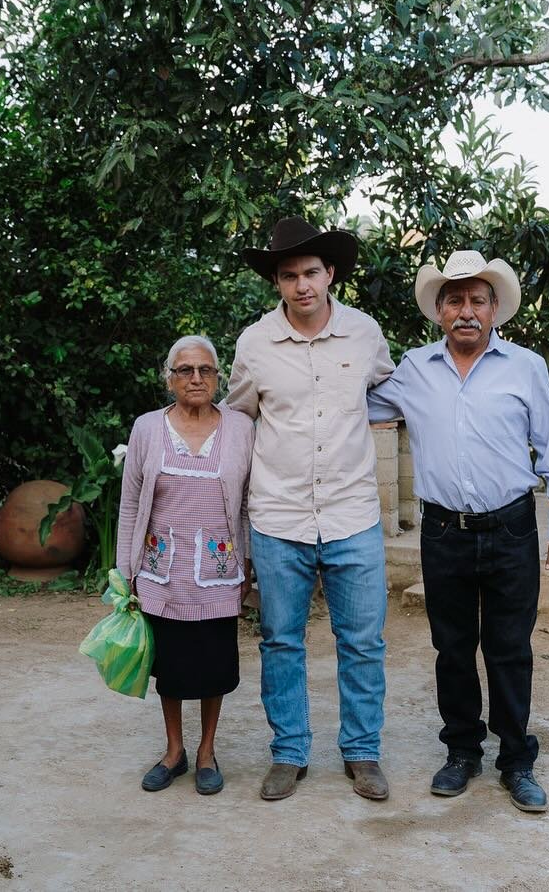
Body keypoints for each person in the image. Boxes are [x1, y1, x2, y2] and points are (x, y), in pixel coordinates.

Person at [367, 249, 549, 812]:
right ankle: (462, 751)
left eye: (477, 300)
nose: (466, 311)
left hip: (511, 529)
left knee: (510, 649)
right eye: (455, 300)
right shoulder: (413, 369)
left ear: (494, 310)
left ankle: (516, 760)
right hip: (443, 533)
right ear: (439, 311)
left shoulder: (525, 367)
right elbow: (353, 406)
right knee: (452, 649)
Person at [227, 217, 396, 802]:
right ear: (277, 282)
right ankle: (290, 752)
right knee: (280, 639)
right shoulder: (254, 345)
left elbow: (384, 393)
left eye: (311, 273)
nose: (302, 286)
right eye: (289, 276)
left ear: (330, 275)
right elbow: (240, 416)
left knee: (364, 640)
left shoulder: (365, 334)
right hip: (279, 516)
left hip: (353, 512)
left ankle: (362, 752)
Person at [115, 335, 255, 795]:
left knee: (214, 666)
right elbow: (131, 503)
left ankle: (207, 752)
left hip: (219, 570)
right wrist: (125, 570)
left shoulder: (240, 427)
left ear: (218, 377)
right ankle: (174, 752)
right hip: (160, 571)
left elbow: (250, 503)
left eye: (206, 371)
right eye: (185, 371)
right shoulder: (146, 428)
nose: (196, 378)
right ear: (169, 378)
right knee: (171, 668)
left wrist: (250, 561)